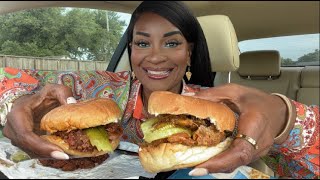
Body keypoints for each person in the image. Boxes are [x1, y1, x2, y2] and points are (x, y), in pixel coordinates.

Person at [0, 1, 318, 179]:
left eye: (171, 42)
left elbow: (304, 167)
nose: (154, 56)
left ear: (189, 52)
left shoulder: (222, 109)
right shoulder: (101, 89)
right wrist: (21, 100)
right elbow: (19, 79)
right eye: (141, 43)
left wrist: (284, 117)